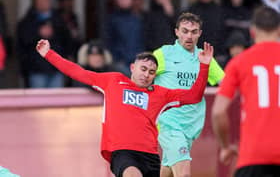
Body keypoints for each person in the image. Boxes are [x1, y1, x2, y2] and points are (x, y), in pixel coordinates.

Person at [36, 38, 213, 177]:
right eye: (143, 69)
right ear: (132, 67)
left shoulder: (160, 94)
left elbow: (193, 96)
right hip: (122, 151)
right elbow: (78, 72)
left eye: (151, 72)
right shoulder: (113, 81)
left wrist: (204, 66)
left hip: (150, 155)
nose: (146, 75)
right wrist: (48, 54)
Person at [153, 12, 224, 177]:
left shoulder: (205, 57)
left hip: (191, 125)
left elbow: (226, 83)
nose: (189, 36)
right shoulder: (163, 54)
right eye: (185, 31)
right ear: (176, 32)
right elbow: (141, 79)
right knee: (183, 173)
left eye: (193, 32)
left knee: (168, 171)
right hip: (168, 124)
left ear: (199, 33)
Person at [212, 6, 280, 177]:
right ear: (279, 29)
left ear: (252, 31)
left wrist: (226, 147)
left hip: (253, 156)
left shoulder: (239, 62)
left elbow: (218, 112)